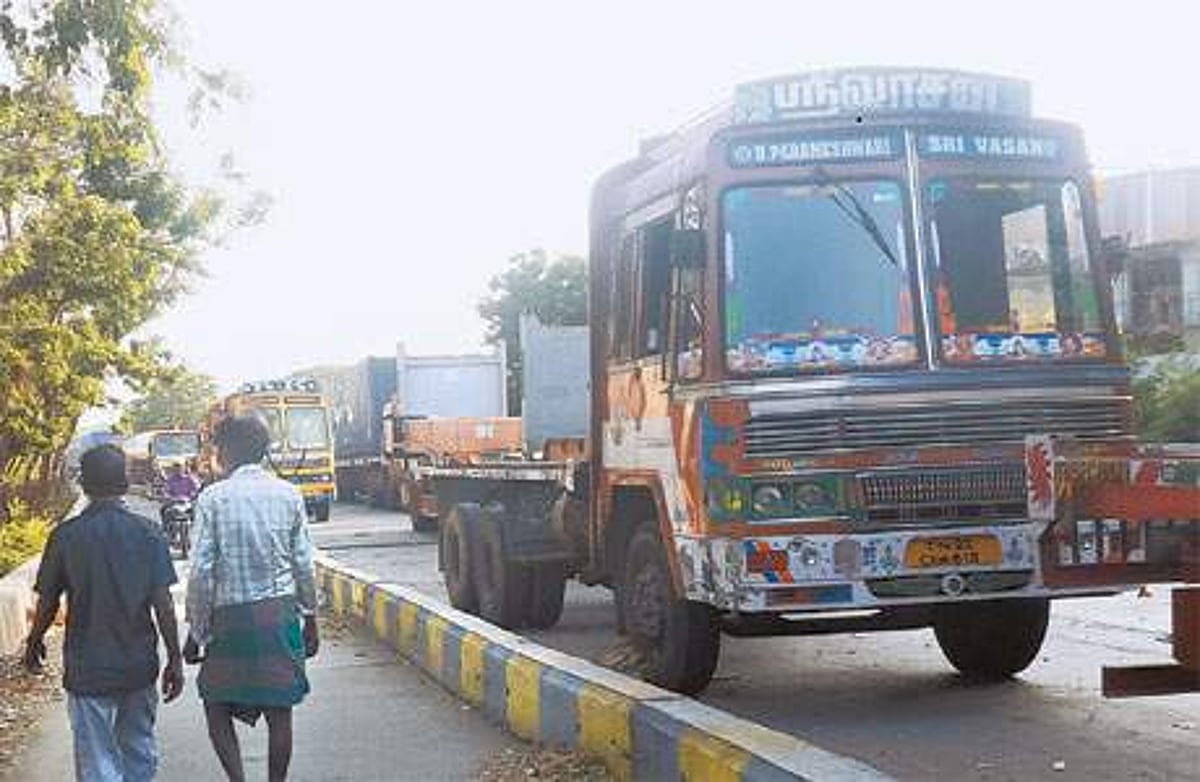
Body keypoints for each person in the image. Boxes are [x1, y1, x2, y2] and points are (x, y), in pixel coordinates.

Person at [23, 444, 184, 782]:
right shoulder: (148, 534)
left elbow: (48, 600)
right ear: (125, 481)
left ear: (84, 483)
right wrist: (174, 658)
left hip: (87, 668)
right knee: (139, 749)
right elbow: (163, 604)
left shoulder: (65, 537)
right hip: (138, 664)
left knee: (96, 759)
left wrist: (33, 641)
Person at [185, 415, 318, 782]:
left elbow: (200, 572)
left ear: (224, 452)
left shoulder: (212, 498)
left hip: (228, 618)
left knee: (214, 702)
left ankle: (238, 780)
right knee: (281, 710)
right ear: (263, 451)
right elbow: (304, 564)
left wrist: (196, 630)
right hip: (279, 614)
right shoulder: (288, 494)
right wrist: (312, 617)